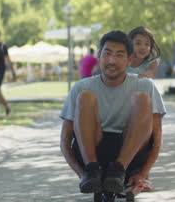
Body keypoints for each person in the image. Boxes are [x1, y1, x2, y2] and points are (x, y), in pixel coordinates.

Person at [60, 31, 166, 195]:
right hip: (94, 153)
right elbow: (65, 141)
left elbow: (157, 139)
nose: (112, 61)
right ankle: (93, 171)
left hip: (131, 154)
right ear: (99, 56)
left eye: (119, 55)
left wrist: (142, 174)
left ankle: (118, 170)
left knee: (142, 99)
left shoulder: (146, 85)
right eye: (107, 54)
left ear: (130, 59)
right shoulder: (80, 87)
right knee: (85, 97)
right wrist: (83, 175)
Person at [0, 29, 16, 116]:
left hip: (0, 71)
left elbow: (8, 59)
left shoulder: (2, 46)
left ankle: (7, 107)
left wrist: (13, 72)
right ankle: (7, 107)